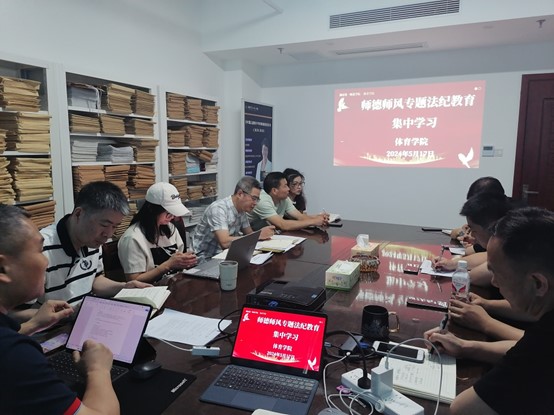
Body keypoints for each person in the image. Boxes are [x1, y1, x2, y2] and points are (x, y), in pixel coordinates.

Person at [426, 207, 554, 414]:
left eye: (498, 273)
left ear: (538, 284)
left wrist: (484, 326)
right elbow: (523, 345)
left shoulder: (545, 343)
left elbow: (463, 409)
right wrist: (467, 347)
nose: (493, 282)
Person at [0, 204, 120, 415]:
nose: (45, 262)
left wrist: (32, 325)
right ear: (3, 268)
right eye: (39, 251)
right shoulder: (15, 355)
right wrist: (98, 369)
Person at [13, 181, 150, 323]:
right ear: (79, 214)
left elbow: (94, 280)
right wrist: (66, 314)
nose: (108, 234)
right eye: (104, 225)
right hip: (49, 331)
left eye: (115, 226)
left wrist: (124, 287)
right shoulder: (41, 249)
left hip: (81, 322)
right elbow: (12, 314)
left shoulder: (93, 242)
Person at [118, 182, 197, 282]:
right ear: (152, 210)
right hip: (151, 289)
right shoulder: (132, 238)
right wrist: (168, 265)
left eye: (174, 213)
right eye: (168, 213)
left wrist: (186, 262)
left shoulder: (170, 228)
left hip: (175, 283)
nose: (172, 217)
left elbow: (179, 259)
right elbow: (134, 280)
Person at [433, 191, 511, 286]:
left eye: (474, 230)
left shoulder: (511, 248)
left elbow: (474, 276)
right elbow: (485, 256)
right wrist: (451, 264)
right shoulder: (502, 240)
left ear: (491, 228)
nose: (472, 235)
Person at [191, 176, 274, 262]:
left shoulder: (242, 209)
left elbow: (249, 234)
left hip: (224, 254)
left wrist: (260, 235)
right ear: (240, 194)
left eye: (257, 200)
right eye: (254, 198)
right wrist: (258, 236)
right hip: (204, 259)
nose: (255, 203)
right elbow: (224, 242)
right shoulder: (218, 209)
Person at [247, 172, 329, 231]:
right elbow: (283, 225)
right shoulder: (262, 201)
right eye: (285, 186)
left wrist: (318, 218)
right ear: (274, 190)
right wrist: (313, 221)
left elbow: (300, 216)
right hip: (253, 235)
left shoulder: (284, 198)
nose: (288, 189)